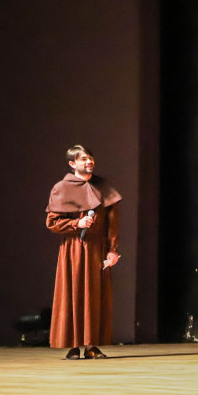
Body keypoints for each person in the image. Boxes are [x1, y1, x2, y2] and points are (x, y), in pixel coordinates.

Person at [46, 145, 122, 360]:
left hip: (97, 248)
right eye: (83, 159)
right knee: (73, 293)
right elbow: (52, 222)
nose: (89, 162)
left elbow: (112, 223)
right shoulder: (62, 187)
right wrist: (76, 223)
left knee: (94, 296)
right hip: (74, 248)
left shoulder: (103, 186)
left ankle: (91, 346)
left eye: (90, 158)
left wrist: (112, 250)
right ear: (72, 164)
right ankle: (73, 346)